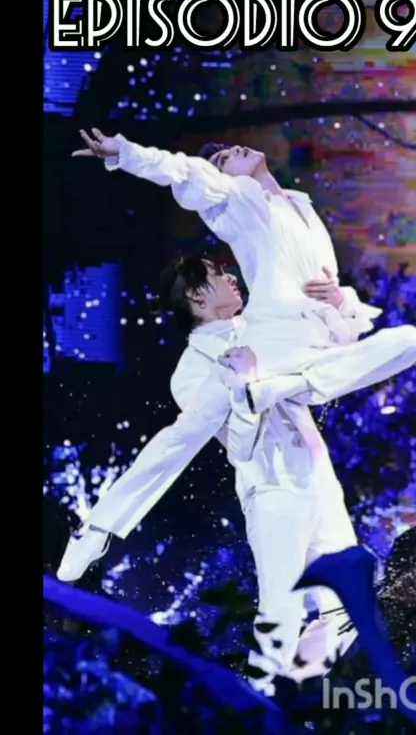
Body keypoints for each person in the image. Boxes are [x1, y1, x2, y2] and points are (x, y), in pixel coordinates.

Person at [58, 255, 360, 692]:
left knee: (347, 605)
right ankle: (263, 706)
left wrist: (337, 303)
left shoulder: (263, 324)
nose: (231, 276)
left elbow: (338, 351)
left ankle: (294, 697)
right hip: (272, 487)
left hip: (317, 475)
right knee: (282, 609)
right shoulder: (192, 371)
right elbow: (222, 444)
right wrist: (244, 389)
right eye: (217, 274)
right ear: (197, 296)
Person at [72, 130, 416, 410]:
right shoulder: (234, 200)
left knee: (410, 341)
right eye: (222, 160)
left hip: (317, 353)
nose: (232, 150)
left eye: (228, 150)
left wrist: (338, 300)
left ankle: (282, 389)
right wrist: (126, 153)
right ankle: (268, 388)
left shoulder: (299, 204)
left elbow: (348, 333)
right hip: (278, 341)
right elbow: (186, 172)